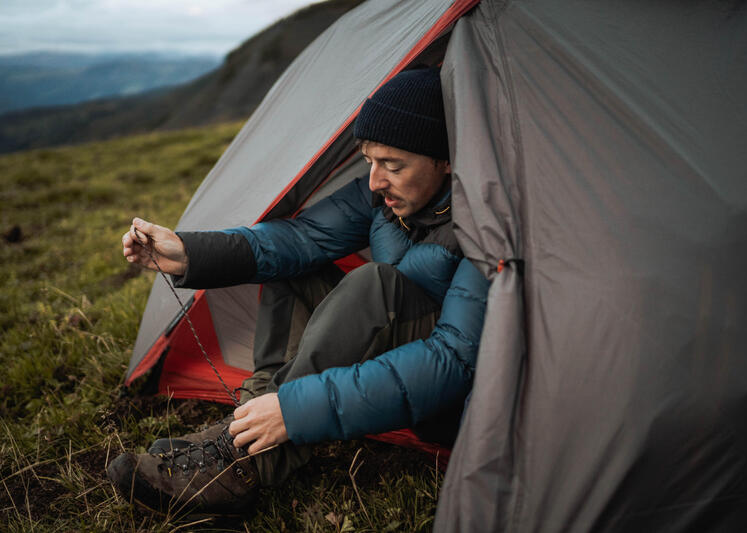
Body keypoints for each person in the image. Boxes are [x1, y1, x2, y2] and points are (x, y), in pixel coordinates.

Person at [107, 67, 490, 516]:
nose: (374, 181)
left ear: (446, 159)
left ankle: (246, 463)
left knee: (375, 283)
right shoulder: (381, 199)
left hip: (441, 401)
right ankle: (248, 423)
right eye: (369, 160)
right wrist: (188, 253)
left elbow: (455, 362)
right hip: (387, 367)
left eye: (393, 164)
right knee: (295, 264)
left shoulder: (485, 222)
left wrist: (296, 409)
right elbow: (298, 239)